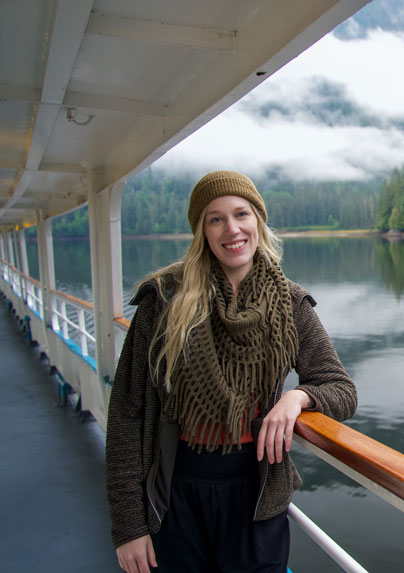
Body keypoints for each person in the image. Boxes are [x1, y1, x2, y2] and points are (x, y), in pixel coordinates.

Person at [105, 170, 357, 572]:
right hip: (175, 493)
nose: (232, 229)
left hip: (255, 495)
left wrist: (298, 396)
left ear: (258, 220)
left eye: (241, 214)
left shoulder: (289, 304)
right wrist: (128, 526)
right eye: (215, 218)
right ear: (201, 231)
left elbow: (340, 387)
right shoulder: (164, 300)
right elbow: (126, 414)